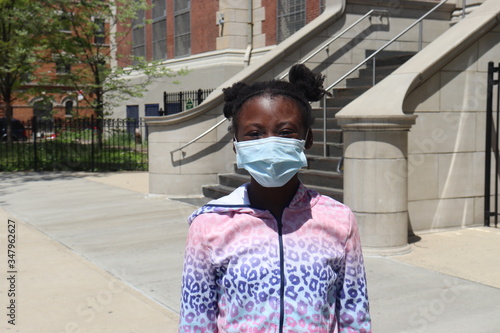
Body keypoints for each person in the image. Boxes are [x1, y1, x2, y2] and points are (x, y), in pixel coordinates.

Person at [179, 64, 371, 333]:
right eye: (255, 133)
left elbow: (354, 312)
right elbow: (196, 318)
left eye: (285, 132)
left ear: (307, 139)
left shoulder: (338, 220)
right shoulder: (210, 224)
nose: (270, 143)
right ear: (236, 143)